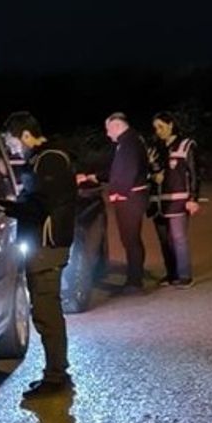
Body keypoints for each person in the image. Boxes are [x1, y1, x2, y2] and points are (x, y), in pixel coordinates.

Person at [0, 112, 78, 397]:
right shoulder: (44, 160)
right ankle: (55, 372)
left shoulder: (49, 161)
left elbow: (40, 207)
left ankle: (56, 377)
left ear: (26, 136)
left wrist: (7, 206)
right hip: (45, 246)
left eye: (12, 142)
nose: (12, 149)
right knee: (45, 311)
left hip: (47, 247)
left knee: (46, 312)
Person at [86, 113, 151, 293]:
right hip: (131, 196)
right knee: (131, 239)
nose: (107, 134)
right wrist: (96, 177)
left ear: (116, 126)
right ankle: (133, 278)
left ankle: (134, 282)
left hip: (130, 198)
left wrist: (119, 193)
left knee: (131, 239)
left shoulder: (129, 143)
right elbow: (117, 170)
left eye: (108, 130)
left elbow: (128, 170)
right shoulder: (128, 142)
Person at [150, 112, 202, 288]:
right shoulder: (156, 148)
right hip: (158, 201)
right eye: (156, 128)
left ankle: (185, 275)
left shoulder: (186, 145)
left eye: (161, 127)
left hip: (178, 200)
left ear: (171, 124)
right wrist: (154, 174)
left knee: (178, 238)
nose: (158, 131)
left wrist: (193, 198)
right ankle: (171, 274)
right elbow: (149, 171)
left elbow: (194, 173)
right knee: (164, 240)